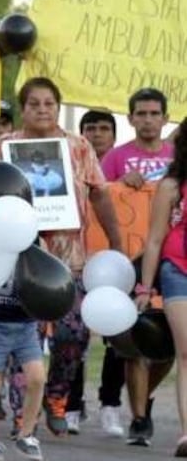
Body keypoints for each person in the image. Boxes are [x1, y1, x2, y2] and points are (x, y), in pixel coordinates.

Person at [0, 77, 123, 437]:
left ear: (57, 107)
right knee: (21, 338)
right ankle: (21, 413)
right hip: (21, 260)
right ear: (23, 108)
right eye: (34, 104)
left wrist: (116, 240)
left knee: (73, 336)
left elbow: (101, 196)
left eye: (49, 103)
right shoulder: (5, 145)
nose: (42, 110)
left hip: (69, 258)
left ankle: (57, 397)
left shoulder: (77, 147)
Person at [100, 88, 174, 445]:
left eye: (154, 113)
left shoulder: (179, 158)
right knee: (132, 340)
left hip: (171, 260)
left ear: (164, 118)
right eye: (140, 113)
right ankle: (140, 420)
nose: (147, 120)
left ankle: (144, 397)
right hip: (129, 261)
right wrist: (118, 184)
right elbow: (98, 200)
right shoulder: (116, 157)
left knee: (171, 344)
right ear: (129, 119)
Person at [137, 117, 187, 458]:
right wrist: (144, 288)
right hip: (177, 271)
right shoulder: (172, 185)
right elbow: (154, 240)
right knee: (186, 354)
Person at [0, 268, 47, 461]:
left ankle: (26, 435)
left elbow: (45, 271)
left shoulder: (34, 244)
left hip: (26, 325)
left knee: (37, 378)